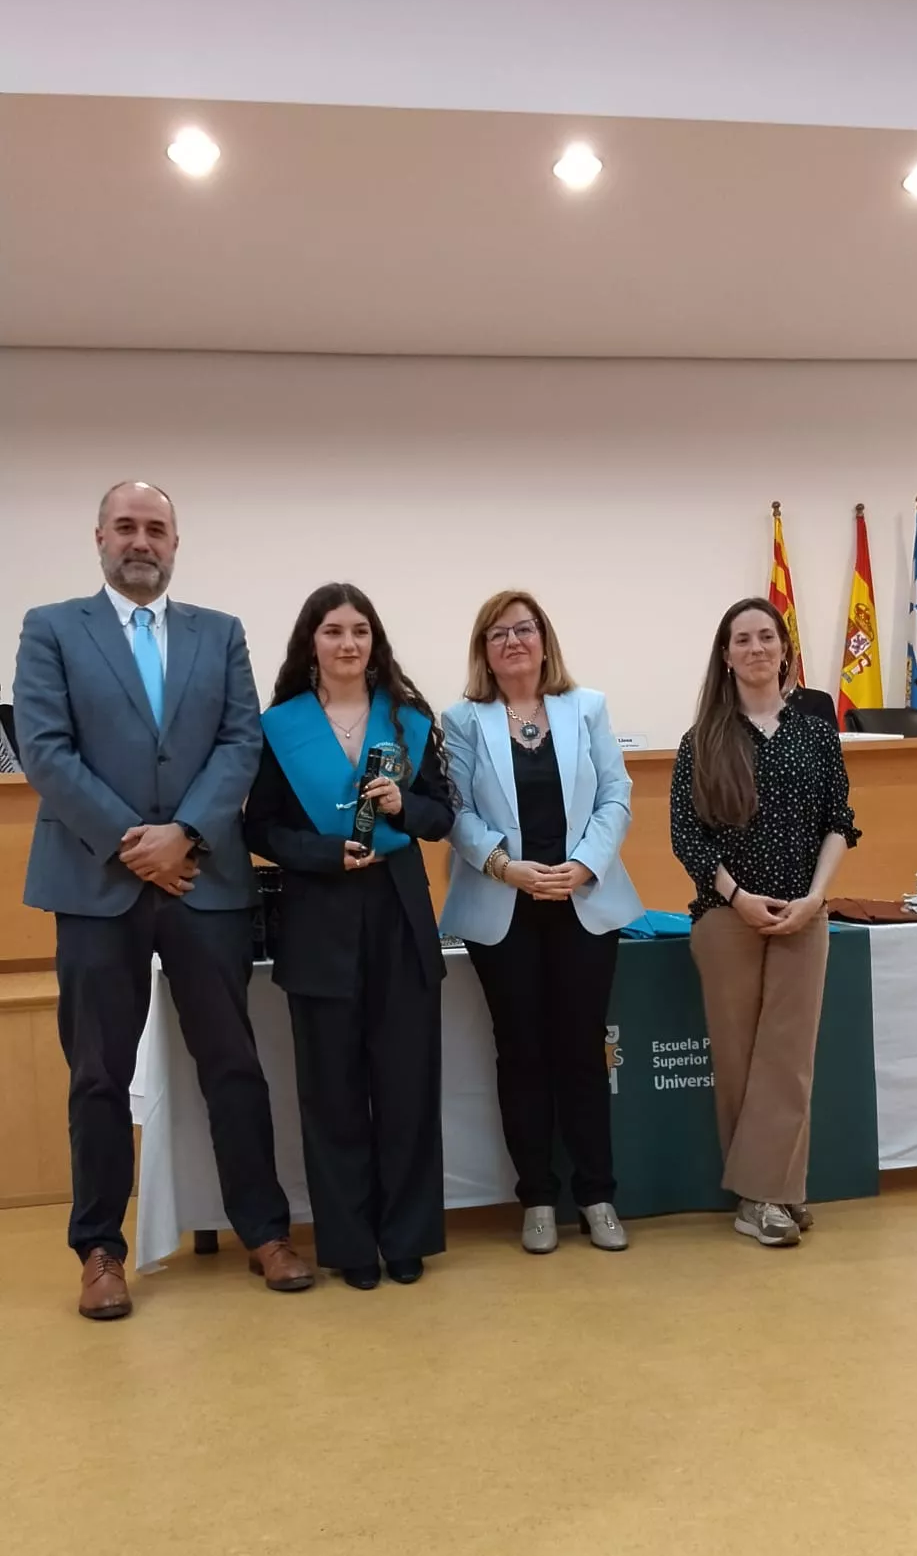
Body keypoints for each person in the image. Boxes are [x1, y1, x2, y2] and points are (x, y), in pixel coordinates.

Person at [14, 480, 313, 1320]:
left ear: (175, 544)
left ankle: (263, 1230)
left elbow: (240, 739)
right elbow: (44, 747)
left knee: (233, 1066)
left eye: (156, 528)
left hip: (203, 879)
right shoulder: (50, 629)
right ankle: (100, 1251)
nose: (140, 541)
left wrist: (182, 833)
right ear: (99, 538)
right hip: (93, 883)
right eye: (125, 527)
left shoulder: (219, 635)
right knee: (98, 1076)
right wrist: (130, 841)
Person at [244, 584, 454, 1291]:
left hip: (398, 913)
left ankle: (406, 1237)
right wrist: (318, 854)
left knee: (406, 1086)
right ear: (312, 642)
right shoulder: (282, 727)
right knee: (332, 1094)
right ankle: (351, 1245)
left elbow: (441, 817)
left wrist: (405, 804)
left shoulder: (410, 721)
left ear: (375, 641)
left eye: (360, 631)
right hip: (318, 919)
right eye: (332, 631)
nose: (347, 644)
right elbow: (259, 828)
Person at [441, 591, 640, 1256]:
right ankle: (537, 1198)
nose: (514, 642)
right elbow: (456, 811)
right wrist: (505, 867)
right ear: (484, 652)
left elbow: (616, 795)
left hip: (582, 904)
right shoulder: (462, 721)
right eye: (498, 634)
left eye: (524, 630)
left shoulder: (587, 709)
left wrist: (583, 866)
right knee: (521, 1053)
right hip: (506, 909)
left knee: (582, 1051)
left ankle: (597, 1193)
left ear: (545, 641)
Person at [670, 596, 859, 1249]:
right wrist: (737, 894)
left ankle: (766, 1195)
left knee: (789, 1057)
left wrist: (815, 897)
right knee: (741, 1058)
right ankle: (768, 1195)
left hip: (804, 912)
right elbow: (686, 837)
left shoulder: (815, 731)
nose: (755, 649)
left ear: (784, 650)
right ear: (726, 656)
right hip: (728, 916)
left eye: (765, 637)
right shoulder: (703, 740)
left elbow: (840, 821)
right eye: (741, 640)